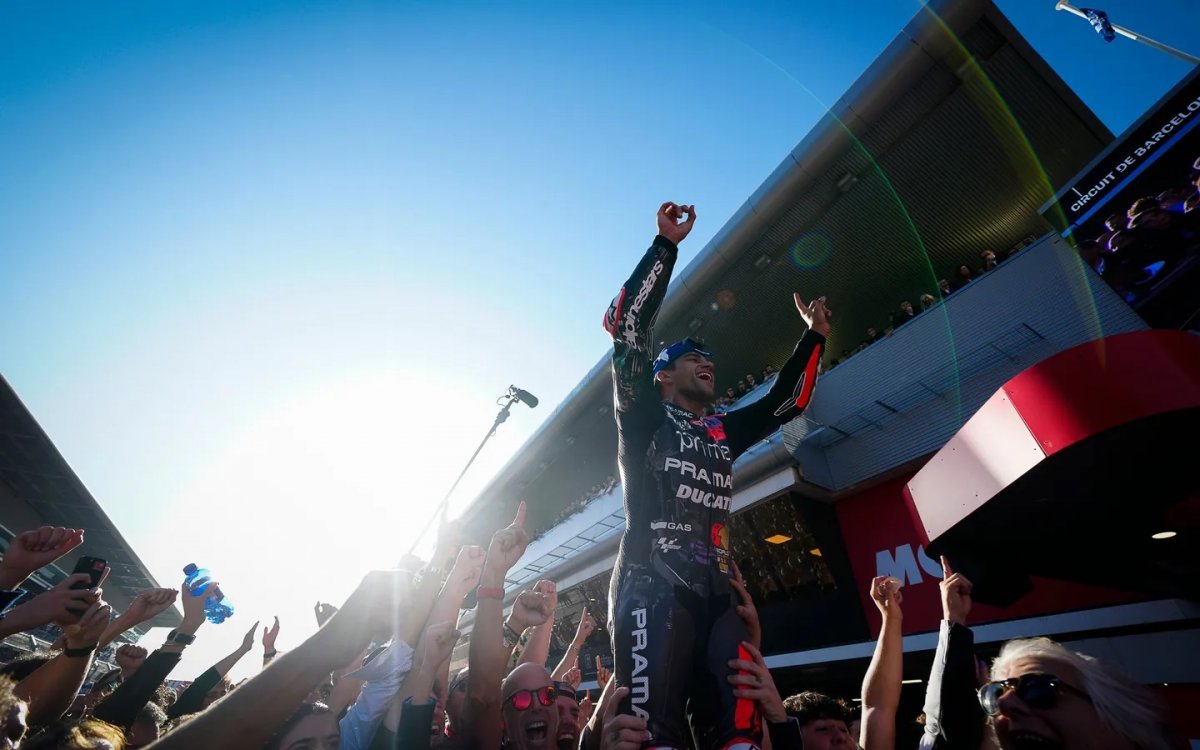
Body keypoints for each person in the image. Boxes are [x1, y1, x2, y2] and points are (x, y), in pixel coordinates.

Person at [601, 202, 831, 749]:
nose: (706, 359)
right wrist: (665, 246)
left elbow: (788, 402)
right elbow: (626, 329)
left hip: (721, 591)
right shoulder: (642, 415)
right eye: (690, 355)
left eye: (708, 355)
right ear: (661, 376)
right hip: (650, 582)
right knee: (651, 734)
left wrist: (814, 338)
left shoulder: (724, 430)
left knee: (741, 732)